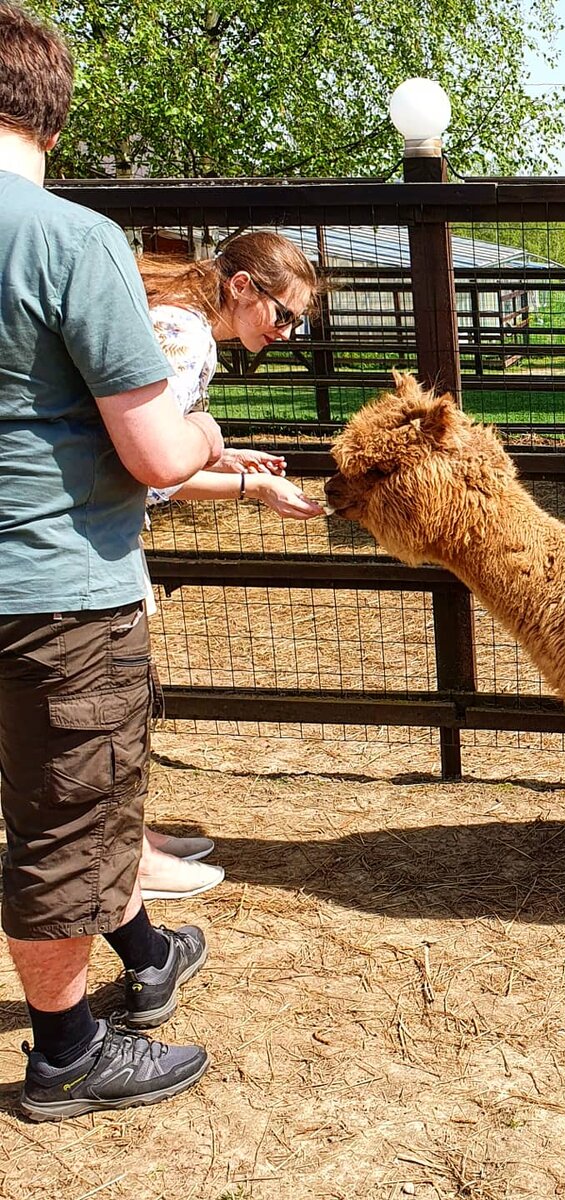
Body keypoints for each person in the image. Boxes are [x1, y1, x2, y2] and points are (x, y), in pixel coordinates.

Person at [0, 3, 224, 1119]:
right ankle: (68, 1052)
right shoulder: (67, 239)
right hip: (52, 588)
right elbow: (151, 449)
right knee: (65, 818)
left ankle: (144, 952)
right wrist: (209, 440)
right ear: (50, 105)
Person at [134, 231, 325, 902]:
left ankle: (128, 842)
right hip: (91, 537)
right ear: (241, 287)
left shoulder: (168, 319)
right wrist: (250, 486)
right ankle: (129, 862)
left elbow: (156, 441)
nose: (287, 332)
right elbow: (155, 473)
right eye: (284, 315)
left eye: (296, 323)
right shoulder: (186, 338)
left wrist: (220, 453)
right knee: (111, 702)